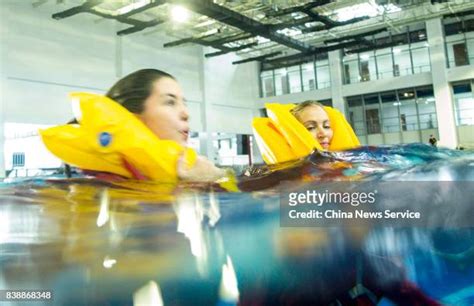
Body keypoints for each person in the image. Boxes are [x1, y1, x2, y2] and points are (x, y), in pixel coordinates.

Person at [98, 68, 225, 182]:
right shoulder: (101, 187)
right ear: (134, 119)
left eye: (184, 103)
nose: (186, 114)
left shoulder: (192, 171)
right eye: (170, 102)